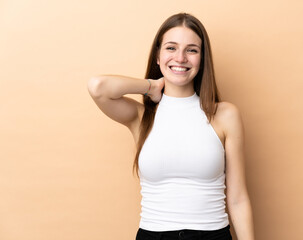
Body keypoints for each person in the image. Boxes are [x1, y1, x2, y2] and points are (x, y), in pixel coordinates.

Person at [87, 12, 254, 240]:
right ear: (158, 55)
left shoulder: (224, 115)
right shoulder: (141, 116)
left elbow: (238, 199)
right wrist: (150, 86)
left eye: (192, 50)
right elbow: (98, 87)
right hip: (153, 235)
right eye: (171, 48)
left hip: (212, 235)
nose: (181, 57)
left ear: (202, 58)